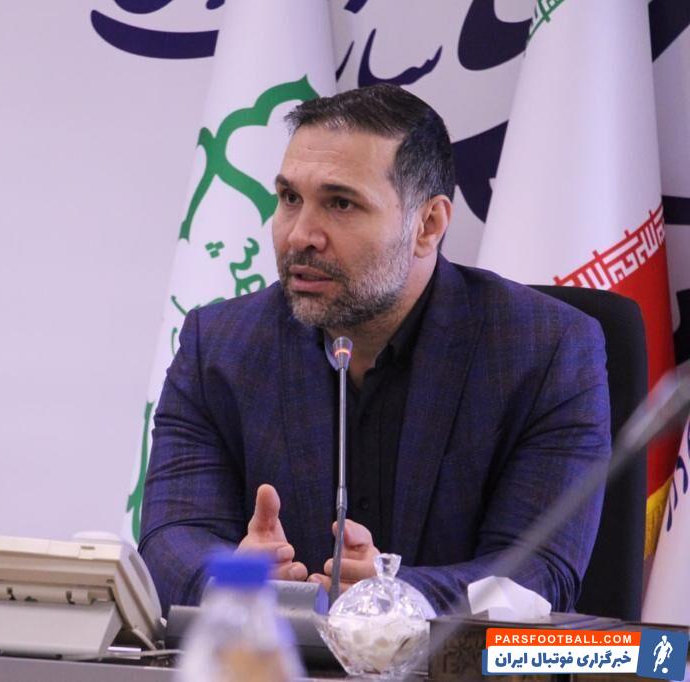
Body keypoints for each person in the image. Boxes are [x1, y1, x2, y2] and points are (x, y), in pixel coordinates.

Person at [138, 84, 611, 616]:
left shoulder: (545, 351)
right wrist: (232, 580)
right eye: (290, 198)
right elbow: (169, 539)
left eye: (340, 203)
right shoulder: (219, 346)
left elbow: (538, 571)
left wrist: (396, 596)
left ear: (428, 225)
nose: (300, 235)